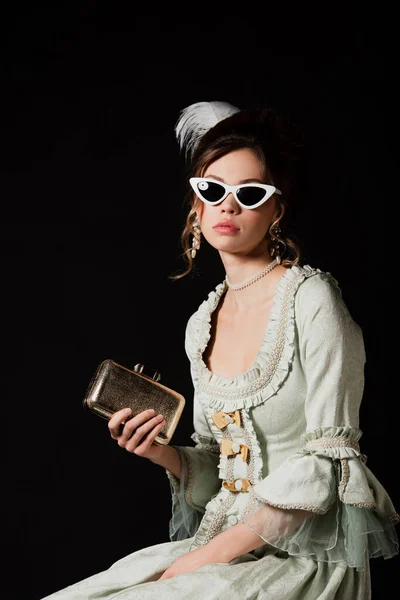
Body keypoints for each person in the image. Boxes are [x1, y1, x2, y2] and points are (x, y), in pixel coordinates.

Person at [42, 101, 399, 600]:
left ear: (277, 209)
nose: (227, 207)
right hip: (219, 544)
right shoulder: (200, 324)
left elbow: (330, 464)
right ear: (196, 205)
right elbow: (220, 470)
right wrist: (161, 452)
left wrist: (201, 560)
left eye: (249, 193)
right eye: (212, 190)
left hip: (302, 558)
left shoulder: (313, 300)